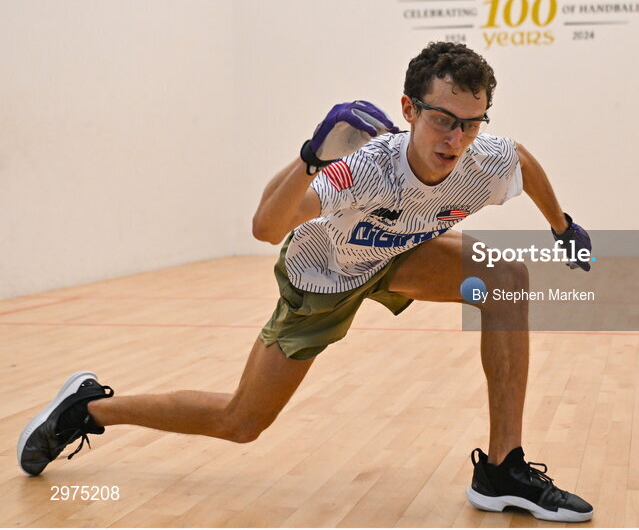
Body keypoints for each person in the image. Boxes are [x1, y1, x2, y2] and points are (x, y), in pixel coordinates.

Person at [17, 42, 595, 522]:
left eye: (470, 124)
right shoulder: (365, 168)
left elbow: (521, 159)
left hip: (398, 257)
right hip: (323, 277)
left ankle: (502, 468)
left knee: (505, 279)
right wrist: (309, 156)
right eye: (443, 120)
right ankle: (89, 409)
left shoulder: (482, 158)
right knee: (241, 422)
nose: (455, 139)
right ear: (409, 109)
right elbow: (266, 227)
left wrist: (562, 224)